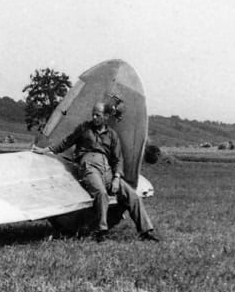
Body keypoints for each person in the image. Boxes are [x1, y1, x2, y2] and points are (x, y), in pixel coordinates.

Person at [33, 102, 159, 242]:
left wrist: (117, 178)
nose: (94, 117)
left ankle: (146, 232)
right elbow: (65, 143)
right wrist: (44, 151)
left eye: (97, 115)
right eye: (93, 114)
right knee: (101, 193)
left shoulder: (112, 135)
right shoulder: (84, 129)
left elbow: (118, 160)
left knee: (132, 196)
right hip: (89, 166)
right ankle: (102, 230)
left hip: (107, 169)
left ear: (105, 116)